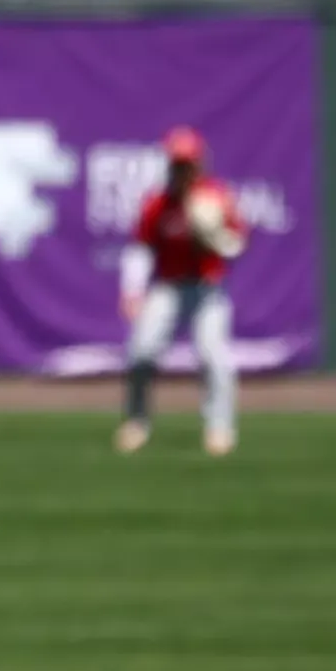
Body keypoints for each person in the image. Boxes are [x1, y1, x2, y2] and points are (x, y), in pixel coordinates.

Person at [115, 125, 249, 456]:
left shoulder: (215, 197)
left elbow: (236, 243)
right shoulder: (158, 204)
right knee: (141, 351)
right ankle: (137, 421)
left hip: (207, 287)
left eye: (187, 162)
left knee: (212, 355)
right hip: (168, 286)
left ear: (200, 163)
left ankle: (219, 428)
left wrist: (214, 236)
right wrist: (132, 291)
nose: (181, 169)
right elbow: (141, 248)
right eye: (176, 162)